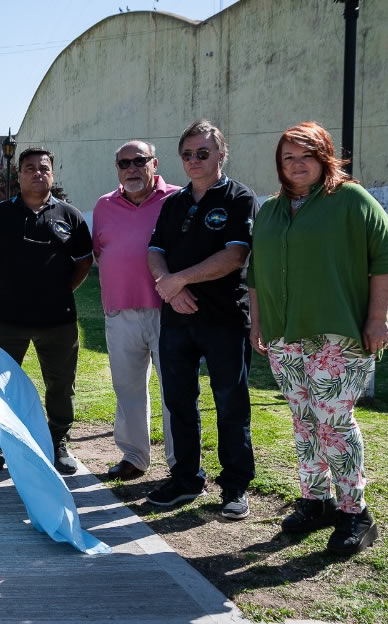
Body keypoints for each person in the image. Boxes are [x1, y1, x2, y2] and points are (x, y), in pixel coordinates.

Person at [249, 122, 388, 555]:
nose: (296, 164)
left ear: (325, 157)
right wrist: (258, 321)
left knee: (335, 422)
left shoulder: (351, 200)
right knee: (304, 422)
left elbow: (386, 259)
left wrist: (379, 319)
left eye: (306, 155)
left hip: (337, 333)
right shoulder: (271, 209)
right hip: (286, 335)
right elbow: (256, 274)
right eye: (288, 157)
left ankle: (355, 512)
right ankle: (316, 501)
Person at [145, 119, 257, 520]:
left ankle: (235, 486)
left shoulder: (239, 198)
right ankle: (186, 478)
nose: (194, 160)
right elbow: (154, 250)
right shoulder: (173, 202)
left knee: (230, 402)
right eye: (188, 154)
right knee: (178, 400)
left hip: (224, 318)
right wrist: (168, 286)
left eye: (203, 153)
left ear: (221, 155)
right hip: (177, 317)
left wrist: (180, 280)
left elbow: (235, 255)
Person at [0, 147, 93, 475]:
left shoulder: (71, 216)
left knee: (60, 385)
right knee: (0, 384)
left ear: (52, 174)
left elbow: (84, 261)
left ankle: (59, 443)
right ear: (19, 175)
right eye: (30, 168)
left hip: (58, 320)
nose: (37, 173)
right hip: (7, 319)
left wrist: (63, 289)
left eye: (44, 168)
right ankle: (0, 444)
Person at [92, 140, 179, 481]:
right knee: (127, 388)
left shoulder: (176, 199)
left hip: (169, 311)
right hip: (120, 312)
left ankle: (181, 463)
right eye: (123, 163)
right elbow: (102, 251)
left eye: (138, 161)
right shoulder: (103, 205)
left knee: (175, 390)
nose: (131, 169)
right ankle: (134, 457)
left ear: (153, 164)